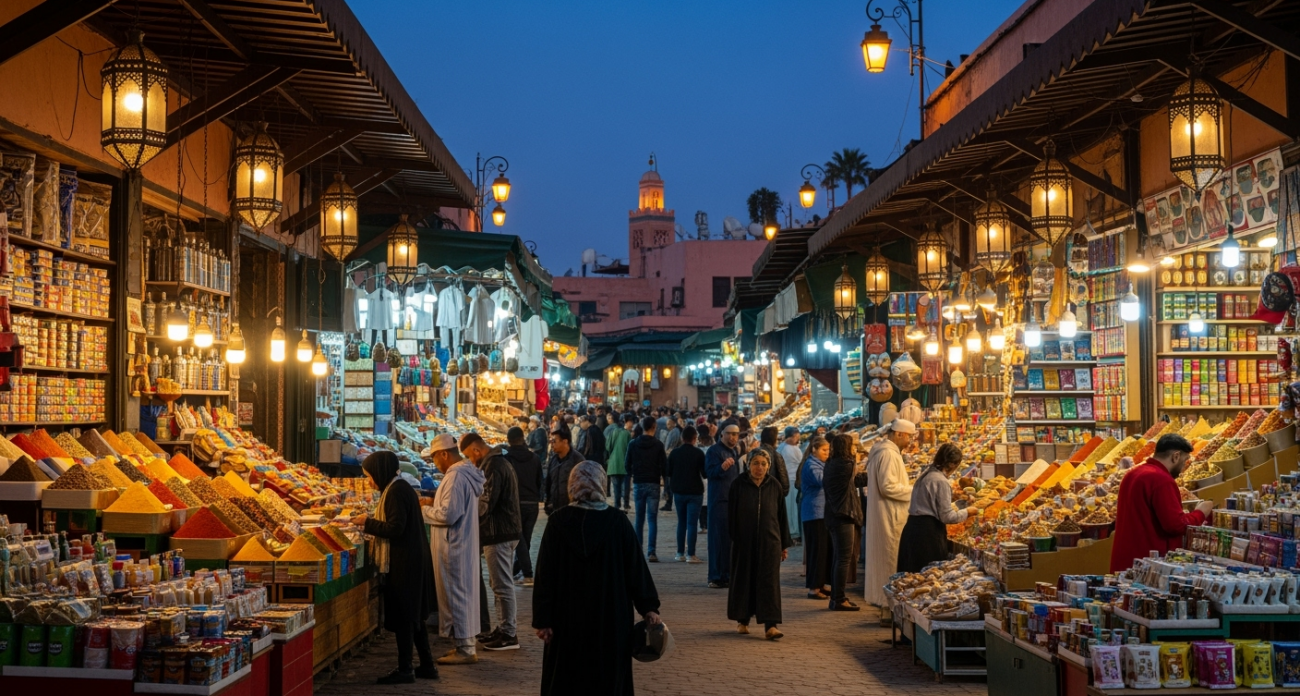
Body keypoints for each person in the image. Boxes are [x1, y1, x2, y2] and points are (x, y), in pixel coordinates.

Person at [533, 461, 661, 695]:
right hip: (610, 617)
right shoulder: (617, 521)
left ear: (573, 485)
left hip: (566, 618)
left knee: (567, 677)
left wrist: (543, 619)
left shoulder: (558, 522)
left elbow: (545, 575)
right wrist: (648, 607)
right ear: (602, 483)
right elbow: (635, 568)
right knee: (608, 676)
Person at [353, 452, 437, 684]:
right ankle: (427, 665)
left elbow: (395, 528)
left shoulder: (397, 491)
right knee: (414, 616)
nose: (369, 481)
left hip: (405, 561)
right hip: (411, 558)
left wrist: (366, 522)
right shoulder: (399, 487)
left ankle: (406, 668)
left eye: (369, 476)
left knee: (405, 615)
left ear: (380, 471)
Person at [422, 434, 485, 664]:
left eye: (434, 458)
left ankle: (466, 650)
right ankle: (464, 645)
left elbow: (449, 514)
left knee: (457, 594)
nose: (434, 463)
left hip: (454, 546)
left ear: (444, 454)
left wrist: (424, 511)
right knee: (461, 594)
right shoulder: (463, 473)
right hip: (460, 543)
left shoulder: (456, 476)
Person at [1110, 434, 1214, 572]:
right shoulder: (1161, 480)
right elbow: (1175, 525)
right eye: (1184, 461)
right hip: (1147, 566)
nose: (1184, 467)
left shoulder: (1132, 473)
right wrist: (1201, 512)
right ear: (1175, 456)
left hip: (1126, 561)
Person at [727, 449, 793, 640]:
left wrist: (783, 545)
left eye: (764, 464)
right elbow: (731, 516)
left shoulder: (774, 486)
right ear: (749, 464)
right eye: (756, 463)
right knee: (744, 579)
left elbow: (781, 517)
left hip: (770, 542)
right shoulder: (738, 485)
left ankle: (770, 626)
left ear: (768, 466)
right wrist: (734, 540)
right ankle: (743, 620)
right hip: (744, 542)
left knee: (769, 583)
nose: (760, 467)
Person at [862, 419, 917, 610]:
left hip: (885, 514)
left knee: (885, 561)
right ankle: (888, 604)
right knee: (888, 561)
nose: (910, 440)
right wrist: (914, 490)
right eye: (909, 436)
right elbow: (888, 487)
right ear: (899, 434)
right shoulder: (888, 454)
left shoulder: (884, 452)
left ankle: (885, 603)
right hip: (889, 516)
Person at [897, 443, 977, 573]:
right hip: (927, 537)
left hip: (912, 530)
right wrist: (968, 512)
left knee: (912, 580)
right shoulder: (940, 481)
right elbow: (947, 516)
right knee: (927, 578)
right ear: (952, 464)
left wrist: (957, 500)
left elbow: (932, 503)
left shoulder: (927, 473)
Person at [823, 433, 872, 611]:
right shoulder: (846, 464)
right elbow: (853, 474)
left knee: (839, 557)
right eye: (852, 446)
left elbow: (853, 481)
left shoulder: (832, 463)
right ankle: (838, 598)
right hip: (843, 514)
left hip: (834, 514)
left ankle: (837, 597)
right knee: (844, 558)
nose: (855, 449)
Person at [504, 427, 543, 587]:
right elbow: (540, 480)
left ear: (509, 440)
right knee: (524, 539)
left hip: (515, 503)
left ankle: (527, 574)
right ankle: (514, 572)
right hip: (532, 504)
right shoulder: (534, 458)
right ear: (523, 438)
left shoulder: (507, 459)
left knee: (520, 540)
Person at [705, 423, 742, 588]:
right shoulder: (714, 451)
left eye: (736, 434)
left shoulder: (734, 451)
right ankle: (715, 576)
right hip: (718, 501)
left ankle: (727, 575)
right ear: (722, 434)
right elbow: (709, 473)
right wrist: (722, 467)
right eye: (730, 434)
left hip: (732, 501)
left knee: (729, 540)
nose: (733, 437)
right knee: (717, 540)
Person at [626, 415, 668, 562]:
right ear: (654, 428)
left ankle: (638, 550)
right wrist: (666, 487)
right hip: (654, 484)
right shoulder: (658, 445)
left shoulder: (633, 444)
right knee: (652, 520)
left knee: (639, 519)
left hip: (638, 483)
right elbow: (664, 467)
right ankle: (651, 552)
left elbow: (627, 465)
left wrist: (634, 473)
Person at [665, 424, 706, 562]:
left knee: (681, 522)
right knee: (692, 523)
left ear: (682, 438)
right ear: (695, 439)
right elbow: (704, 474)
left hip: (679, 491)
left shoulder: (674, 453)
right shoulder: (699, 453)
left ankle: (679, 553)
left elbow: (668, 472)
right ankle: (691, 554)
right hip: (695, 492)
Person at [800, 436, 832, 600]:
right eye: (824, 450)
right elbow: (822, 481)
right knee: (816, 551)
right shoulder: (812, 465)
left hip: (822, 513)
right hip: (814, 513)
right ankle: (813, 588)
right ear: (814, 450)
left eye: (828, 450)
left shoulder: (821, 464)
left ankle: (822, 584)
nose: (827, 453)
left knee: (823, 550)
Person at [544, 428, 582, 514]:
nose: (551, 444)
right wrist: (548, 502)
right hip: (555, 509)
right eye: (550, 441)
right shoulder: (554, 460)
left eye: (554, 441)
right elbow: (549, 483)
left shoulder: (577, 460)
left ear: (565, 441)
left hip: (572, 510)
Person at [778, 427, 803, 542]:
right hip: (793, 482)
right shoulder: (794, 450)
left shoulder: (780, 447)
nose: (797, 440)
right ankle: (794, 532)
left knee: (788, 508)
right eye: (796, 437)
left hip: (786, 482)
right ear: (791, 437)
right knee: (793, 509)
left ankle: (789, 531)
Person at [606, 414, 633, 511]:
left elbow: (608, 447)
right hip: (624, 465)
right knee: (625, 486)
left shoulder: (613, 432)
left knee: (616, 487)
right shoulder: (627, 434)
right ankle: (626, 504)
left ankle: (617, 505)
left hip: (613, 464)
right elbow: (630, 450)